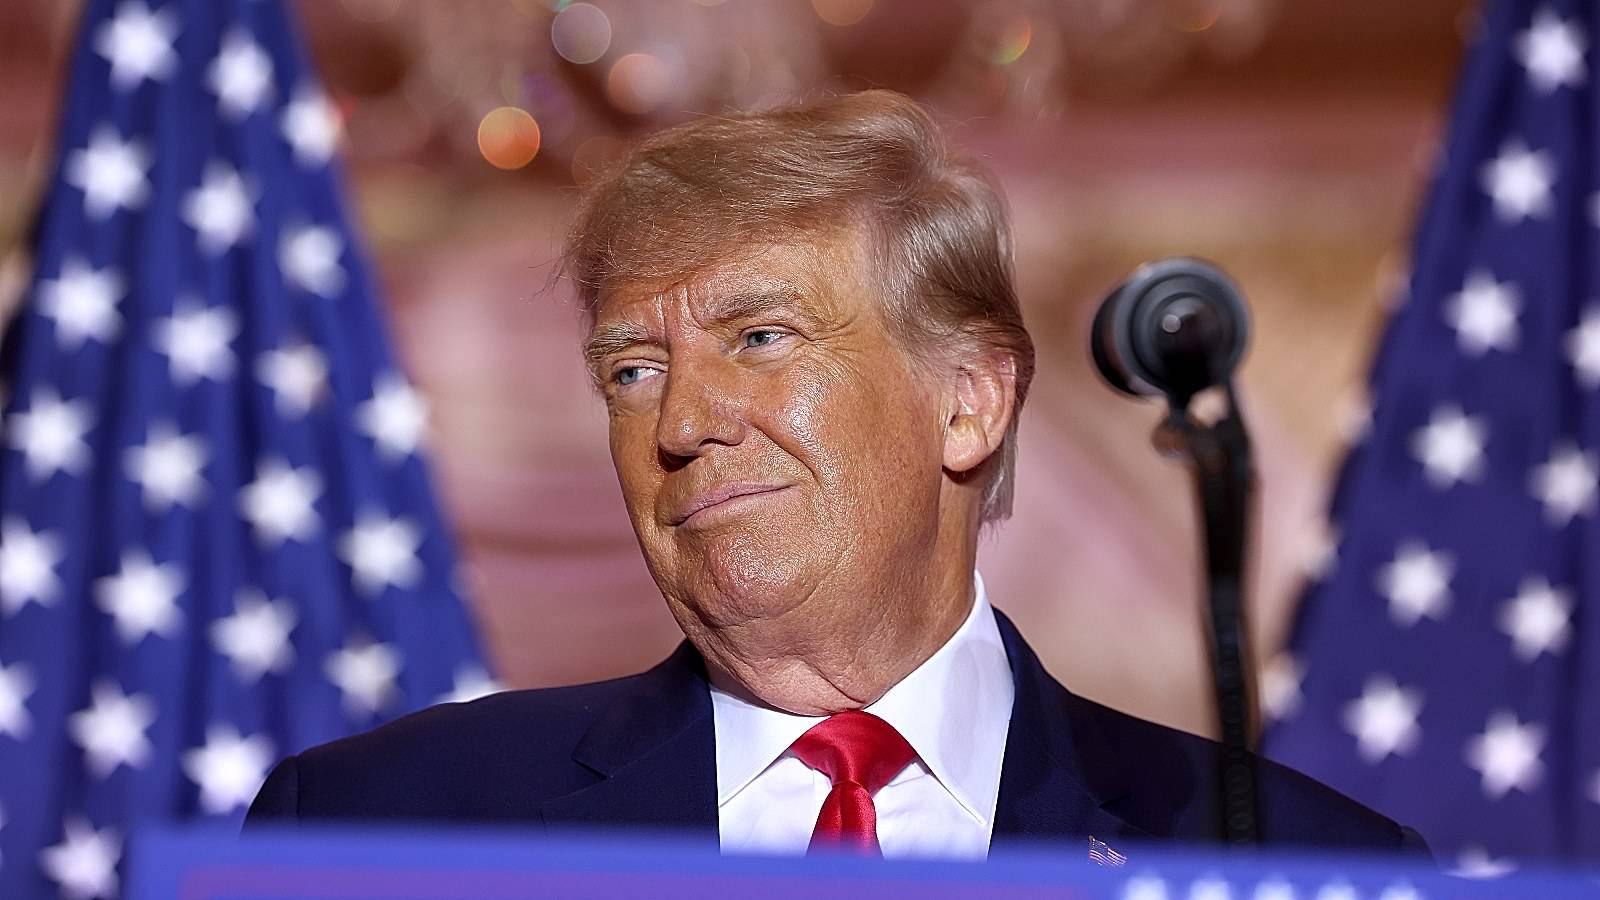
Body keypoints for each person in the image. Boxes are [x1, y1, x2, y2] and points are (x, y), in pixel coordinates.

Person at [247, 90, 1425, 859]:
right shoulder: (380, 834)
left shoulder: (1283, 859)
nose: (684, 423)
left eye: (761, 339)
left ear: (969, 400)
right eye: (633, 371)